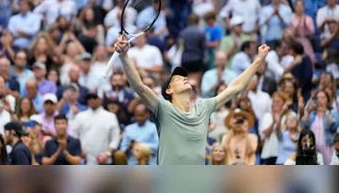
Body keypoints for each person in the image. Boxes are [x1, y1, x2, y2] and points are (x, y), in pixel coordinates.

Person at [115, 33, 269, 165]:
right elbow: (139, 87)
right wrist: (124, 56)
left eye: (185, 76)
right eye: (178, 78)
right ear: (169, 90)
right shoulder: (163, 109)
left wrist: (258, 60)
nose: (184, 78)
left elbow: (235, 87)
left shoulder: (203, 107)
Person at [72, 93, 120, 165]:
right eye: (89, 99)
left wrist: (107, 154)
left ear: (100, 99)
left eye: (94, 98)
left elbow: (115, 138)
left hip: (104, 159)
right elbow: (74, 135)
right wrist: (79, 151)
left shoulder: (110, 117)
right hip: (84, 159)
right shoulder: (80, 116)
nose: (92, 101)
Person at [301, 90, 339, 165]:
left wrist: (326, 111)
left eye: (322, 97)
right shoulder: (312, 114)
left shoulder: (333, 112)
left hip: (328, 147)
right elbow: (302, 125)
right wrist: (308, 112)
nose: (320, 100)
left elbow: (334, 127)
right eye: (318, 98)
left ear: (327, 100)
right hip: (313, 147)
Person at [177, 14, 206, 86]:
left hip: (185, 59)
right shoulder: (201, 33)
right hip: (197, 59)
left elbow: (180, 48)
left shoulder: (182, 33)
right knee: (196, 81)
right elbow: (204, 48)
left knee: (186, 81)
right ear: (198, 21)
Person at [288, 0, 316, 65]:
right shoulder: (292, 18)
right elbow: (289, 33)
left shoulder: (308, 19)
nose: (299, 8)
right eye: (297, 6)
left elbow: (312, 32)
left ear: (304, 7)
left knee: (310, 60)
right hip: (295, 42)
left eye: (301, 6)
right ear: (295, 7)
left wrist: (305, 23)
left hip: (305, 41)